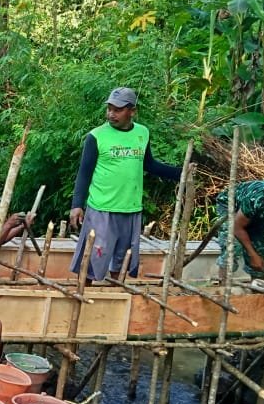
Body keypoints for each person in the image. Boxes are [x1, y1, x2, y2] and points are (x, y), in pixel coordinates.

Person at [69, 87, 181, 281]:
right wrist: (77, 205)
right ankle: (82, 298)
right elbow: (84, 173)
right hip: (102, 208)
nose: (111, 114)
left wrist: (180, 173)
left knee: (121, 262)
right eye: (109, 109)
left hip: (130, 208)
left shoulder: (142, 133)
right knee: (91, 262)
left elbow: (149, 164)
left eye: (117, 110)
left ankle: (116, 300)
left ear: (132, 111)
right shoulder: (96, 137)